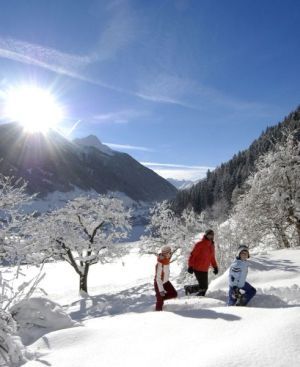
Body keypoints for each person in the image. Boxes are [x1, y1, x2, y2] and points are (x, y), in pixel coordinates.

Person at [184, 229, 219, 296]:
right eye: (209, 234)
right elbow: (193, 255)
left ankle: (189, 289)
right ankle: (198, 299)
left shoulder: (212, 246)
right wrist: (190, 266)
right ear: (206, 235)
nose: (210, 236)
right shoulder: (200, 244)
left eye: (212, 235)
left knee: (204, 287)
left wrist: (215, 267)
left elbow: (212, 257)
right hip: (197, 267)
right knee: (203, 288)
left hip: (205, 269)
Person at [154, 245, 177, 311]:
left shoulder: (166, 259)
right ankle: (158, 313)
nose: (170, 254)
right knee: (160, 302)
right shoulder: (160, 263)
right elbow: (158, 278)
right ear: (164, 253)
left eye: (170, 253)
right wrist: (161, 290)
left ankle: (160, 298)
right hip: (159, 282)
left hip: (165, 281)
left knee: (174, 294)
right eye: (169, 253)